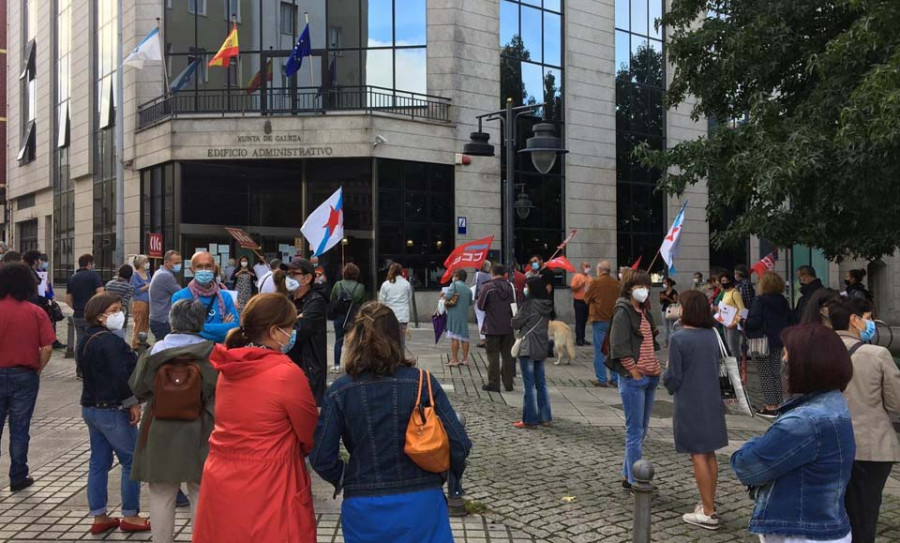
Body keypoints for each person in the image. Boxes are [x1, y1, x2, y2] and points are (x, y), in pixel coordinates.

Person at [310, 302, 471, 542]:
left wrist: (347, 476)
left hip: (364, 503)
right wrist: (445, 476)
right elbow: (459, 441)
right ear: (398, 336)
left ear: (354, 339)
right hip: (422, 500)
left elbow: (321, 456)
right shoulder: (423, 382)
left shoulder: (340, 390)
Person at [192, 294, 318, 543]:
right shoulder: (286, 374)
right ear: (274, 331)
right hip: (272, 481)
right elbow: (308, 432)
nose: (293, 333)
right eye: (291, 327)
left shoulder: (230, 365)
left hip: (221, 476)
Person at [731, 324, 854, 543]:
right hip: (822, 524)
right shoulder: (833, 402)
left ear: (805, 362)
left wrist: (755, 442)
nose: (783, 360)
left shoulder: (805, 421)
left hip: (802, 532)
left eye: (787, 352)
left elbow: (746, 466)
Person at [128, 300, 217, 543]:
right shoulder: (212, 352)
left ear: (172, 321)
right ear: (201, 322)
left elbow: (138, 387)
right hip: (201, 427)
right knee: (200, 489)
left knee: (161, 492)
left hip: (160, 428)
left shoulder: (154, 352)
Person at [77, 293, 149, 534]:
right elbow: (121, 376)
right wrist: (132, 403)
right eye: (115, 310)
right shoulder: (112, 342)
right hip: (113, 409)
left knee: (98, 463)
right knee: (131, 461)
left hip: (90, 408)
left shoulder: (86, 338)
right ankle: (131, 515)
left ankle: (99, 516)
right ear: (100, 315)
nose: (120, 314)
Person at [829, 298, 900, 543]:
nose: (871, 325)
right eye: (868, 319)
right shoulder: (877, 354)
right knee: (864, 518)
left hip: (828, 445)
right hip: (870, 447)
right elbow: (896, 402)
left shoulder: (815, 350)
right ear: (854, 319)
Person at [663, 290, 728, 530]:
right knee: (708, 453)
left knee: (698, 454)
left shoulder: (680, 338)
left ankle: (708, 511)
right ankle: (707, 503)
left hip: (690, 400)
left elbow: (673, 378)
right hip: (711, 399)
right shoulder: (711, 334)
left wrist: (664, 374)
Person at [0, 263, 55, 492]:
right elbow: (48, 347)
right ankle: (18, 476)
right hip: (25, 374)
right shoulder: (35, 311)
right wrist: (37, 369)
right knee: (19, 428)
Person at [609, 269, 660, 488]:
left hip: (650, 376)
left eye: (647, 286)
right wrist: (635, 372)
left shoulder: (643, 311)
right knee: (635, 432)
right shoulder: (623, 311)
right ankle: (635, 480)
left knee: (641, 431)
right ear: (630, 288)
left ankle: (626, 473)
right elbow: (618, 347)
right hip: (634, 378)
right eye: (640, 286)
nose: (645, 290)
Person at [744, 271, 792, 416]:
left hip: (762, 340)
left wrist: (743, 321)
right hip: (778, 340)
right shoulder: (782, 301)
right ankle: (778, 403)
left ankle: (771, 406)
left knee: (765, 374)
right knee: (775, 373)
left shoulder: (760, 301)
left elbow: (754, 321)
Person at [511, 276, 554, 429]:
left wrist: (515, 314)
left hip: (528, 347)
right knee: (541, 384)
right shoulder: (547, 305)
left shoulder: (529, 305)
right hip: (541, 347)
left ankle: (530, 419)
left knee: (529, 386)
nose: (525, 290)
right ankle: (545, 417)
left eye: (527, 287)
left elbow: (516, 323)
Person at [286, 258, 329, 404]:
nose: (289, 278)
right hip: (288, 366)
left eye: (294, 274)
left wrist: (287, 322)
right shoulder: (288, 299)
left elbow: (299, 330)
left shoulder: (315, 301)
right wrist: (293, 320)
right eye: (288, 274)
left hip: (309, 368)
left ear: (307, 278)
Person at [171, 252, 239, 344]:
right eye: (199, 267)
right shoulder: (180, 297)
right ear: (192, 270)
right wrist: (222, 327)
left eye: (208, 266)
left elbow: (235, 326)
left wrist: (197, 328)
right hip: (193, 353)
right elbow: (183, 331)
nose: (204, 270)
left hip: (219, 353)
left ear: (214, 268)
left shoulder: (225, 296)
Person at [478, 264, 517, 392]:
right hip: (508, 326)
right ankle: (508, 383)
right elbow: (516, 305)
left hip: (492, 327)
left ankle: (494, 383)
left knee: (493, 356)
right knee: (508, 356)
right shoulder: (511, 287)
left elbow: (481, 306)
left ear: (492, 273)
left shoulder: (487, 287)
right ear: (504, 274)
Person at [67, 254, 105, 378]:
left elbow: (68, 299)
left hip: (77, 315)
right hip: (91, 316)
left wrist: (77, 307)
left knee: (80, 343)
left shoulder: (72, 278)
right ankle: (91, 370)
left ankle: (80, 370)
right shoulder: (94, 276)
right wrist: (92, 308)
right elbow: (100, 294)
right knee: (92, 342)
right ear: (89, 264)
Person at [584, 260, 620, 388]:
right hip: (614, 320)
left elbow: (586, 297)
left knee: (600, 350)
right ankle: (615, 378)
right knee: (612, 350)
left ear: (599, 270)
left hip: (599, 319)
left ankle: (602, 379)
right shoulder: (616, 283)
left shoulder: (596, 282)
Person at [329, 263, 366, 372]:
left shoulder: (338, 284)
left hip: (339, 316)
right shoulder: (360, 287)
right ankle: (351, 364)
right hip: (353, 317)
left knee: (338, 341)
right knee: (353, 342)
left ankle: (336, 365)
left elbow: (332, 298)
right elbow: (361, 302)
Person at [149, 250, 183, 341]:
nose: (179, 265)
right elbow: (182, 294)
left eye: (180, 262)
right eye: (176, 263)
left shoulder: (159, 272)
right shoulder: (166, 276)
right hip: (163, 320)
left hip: (157, 318)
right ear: (166, 262)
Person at [378, 262, 412, 352]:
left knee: (389, 340)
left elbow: (381, 301)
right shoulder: (406, 284)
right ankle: (401, 359)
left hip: (389, 316)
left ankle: (391, 359)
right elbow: (409, 298)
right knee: (401, 341)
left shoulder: (385, 285)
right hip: (402, 316)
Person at [446, 269, 475, 367]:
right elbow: (470, 302)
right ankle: (465, 359)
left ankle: (455, 359)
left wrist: (443, 295)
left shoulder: (453, 285)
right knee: (464, 337)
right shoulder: (468, 289)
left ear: (457, 277)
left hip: (454, 313)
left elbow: (448, 296)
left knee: (454, 337)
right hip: (464, 314)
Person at [717, 271, 745, 362]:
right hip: (725, 323)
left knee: (733, 348)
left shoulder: (735, 293)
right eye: (722, 281)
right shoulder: (725, 293)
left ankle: (737, 368)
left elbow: (743, 310)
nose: (723, 283)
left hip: (732, 324)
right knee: (729, 347)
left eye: (725, 280)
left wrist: (735, 323)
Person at [105, 265, 135, 341]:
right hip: (120, 316)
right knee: (119, 339)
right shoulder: (130, 288)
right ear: (130, 276)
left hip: (106, 314)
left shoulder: (109, 284)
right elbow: (124, 303)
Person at [129, 255, 152, 349]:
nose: (147, 263)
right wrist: (147, 286)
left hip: (148, 301)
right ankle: (135, 343)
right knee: (138, 322)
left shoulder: (148, 274)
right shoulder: (135, 276)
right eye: (145, 261)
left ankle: (143, 340)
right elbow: (136, 290)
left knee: (145, 322)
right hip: (139, 302)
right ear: (140, 263)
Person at [570, 262, 592, 346]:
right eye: (586, 266)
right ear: (581, 267)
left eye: (588, 266)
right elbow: (573, 288)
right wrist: (580, 286)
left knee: (584, 320)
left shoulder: (590, 278)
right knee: (579, 320)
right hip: (579, 301)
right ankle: (579, 338)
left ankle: (583, 337)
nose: (587, 268)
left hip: (587, 301)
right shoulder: (577, 277)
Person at [473, 260, 493, 348]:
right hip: (489, 300)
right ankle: (489, 339)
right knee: (488, 319)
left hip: (479, 299)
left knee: (480, 319)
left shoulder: (477, 275)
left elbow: (474, 286)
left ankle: (483, 340)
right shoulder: (491, 276)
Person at [658, 277, 678, 348]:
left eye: (665, 282)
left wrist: (667, 298)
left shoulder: (674, 292)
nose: (664, 284)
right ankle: (666, 342)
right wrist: (661, 298)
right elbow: (661, 302)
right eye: (663, 283)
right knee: (665, 328)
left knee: (672, 327)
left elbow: (675, 301)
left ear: (669, 283)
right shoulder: (663, 292)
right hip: (664, 310)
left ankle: (674, 342)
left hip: (671, 310)